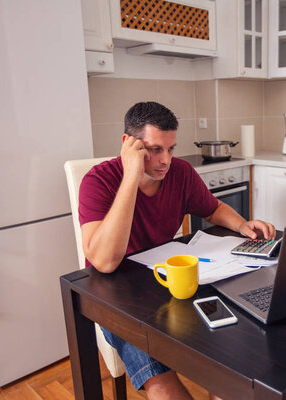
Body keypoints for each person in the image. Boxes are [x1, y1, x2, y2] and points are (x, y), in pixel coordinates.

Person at [78, 101, 275, 400]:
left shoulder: (180, 173)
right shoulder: (98, 181)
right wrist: (131, 176)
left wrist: (243, 225)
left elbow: (214, 208)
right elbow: (104, 262)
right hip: (117, 297)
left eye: (171, 149)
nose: (165, 160)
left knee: (231, 356)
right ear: (128, 145)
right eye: (155, 149)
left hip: (169, 286)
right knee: (162, 385)